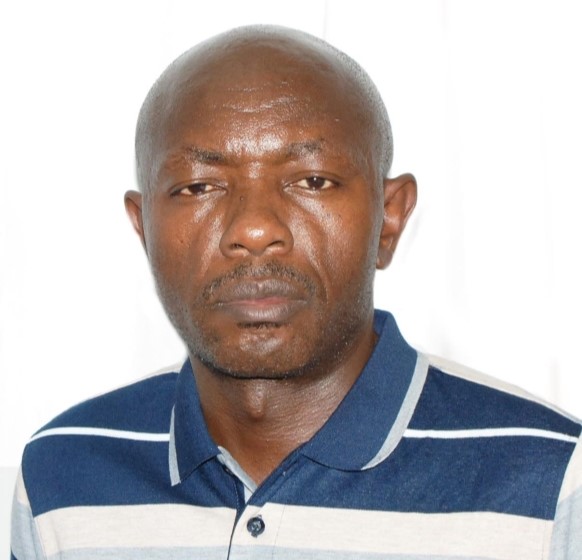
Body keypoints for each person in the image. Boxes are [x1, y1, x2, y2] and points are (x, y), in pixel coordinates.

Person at [11, 25, 581, 560]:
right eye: (199, 186)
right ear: (144, 229)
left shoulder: (552, 483)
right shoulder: (62, 476)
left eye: (313, 180)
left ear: (389, 219)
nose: (254, 229)